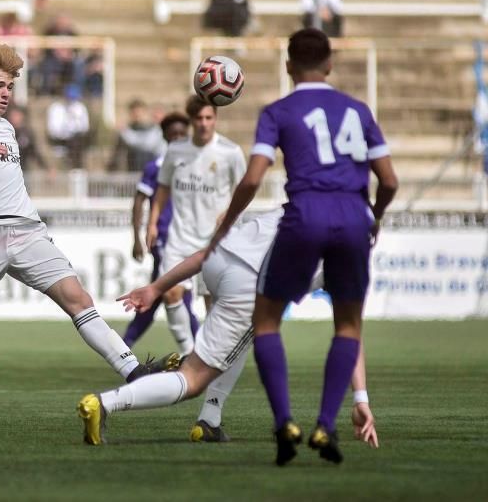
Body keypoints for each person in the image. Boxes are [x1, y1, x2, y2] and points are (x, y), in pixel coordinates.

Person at [0, 43, 177, 411]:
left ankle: (134, 373)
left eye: (9, 86)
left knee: (79, 299)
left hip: (26, 231)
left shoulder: (6, 126)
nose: (6, 93)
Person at [203, 28, 398, 465]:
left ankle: (284, 422)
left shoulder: (278, 111)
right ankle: (326, 426)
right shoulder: (359, 110)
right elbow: (389, 180)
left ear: (288, 66)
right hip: (352, 217)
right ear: (330, 64)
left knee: (267, 320)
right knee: (347, 325)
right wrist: (375, 216)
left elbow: (253, 178)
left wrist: (228, 221)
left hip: (304, 215)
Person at [78, 209, 380, 450]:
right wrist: (361, 399)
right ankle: (104, 403)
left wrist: (157, 287)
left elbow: (205, 255)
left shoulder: (298, 206)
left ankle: (209, 420)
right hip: (247, 282)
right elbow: (350, 332)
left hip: (216, 262)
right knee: (193, 378)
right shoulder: (350, 248)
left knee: (242, 339)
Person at [146, 95, 246, 357]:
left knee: (213, 304)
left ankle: (212, 357)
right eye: (199, 119)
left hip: (215, 241)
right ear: (191, 121)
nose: (204, 124)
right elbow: (163, 188)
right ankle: (189, 355)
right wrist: (152, 223)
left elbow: (245, 191)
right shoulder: (176, 151)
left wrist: (230, 213)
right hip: (180, 239)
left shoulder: (230, 152)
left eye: (208, 118)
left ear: (215, 118)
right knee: (170, 293)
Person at [123, 112, 200, 347]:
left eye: (181, 133)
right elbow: (139, 201)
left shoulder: (195, 164)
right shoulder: (156, 166)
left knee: (158, 295)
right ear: (164, 136)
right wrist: (137, 237)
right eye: (172, 134)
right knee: (177, 294)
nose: (177, 138)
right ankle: (200, 352)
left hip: (190, 239)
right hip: (165, 238)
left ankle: (122, 346)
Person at [106, 100, 165, 172]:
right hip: (132, 170)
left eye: (139, 112)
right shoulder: (127, 129)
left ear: (144, 112)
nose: (137, 115)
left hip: (150, 172)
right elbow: (117, 153)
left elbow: (144, 144)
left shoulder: (152, 129)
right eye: (134, 113)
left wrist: (124, 131)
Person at [46, 83, 90, 170]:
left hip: (76, 140)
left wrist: (74, 128)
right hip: (60, 140)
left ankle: (77, 169)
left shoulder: (80, 108)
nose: (71, 101)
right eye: (69, 98)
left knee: (76, 144)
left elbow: (85, 127)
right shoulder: (55, 108)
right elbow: (52, 130)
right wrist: (65, 132)